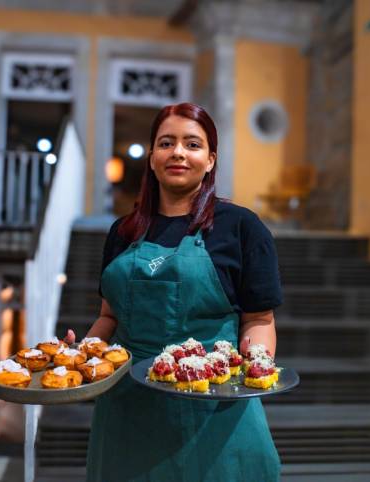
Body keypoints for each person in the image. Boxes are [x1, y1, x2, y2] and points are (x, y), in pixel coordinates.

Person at [67, 102, 282, 481]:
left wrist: (253, 364)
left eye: (192, 144)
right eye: (166, 143)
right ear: (152, 158)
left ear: (210, 160)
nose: (178, 152)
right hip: (129, 411)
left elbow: (259, 319)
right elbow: (109, 316)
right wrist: (82, 356)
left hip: (214, 409)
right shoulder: (123, 231)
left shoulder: (241, 227)